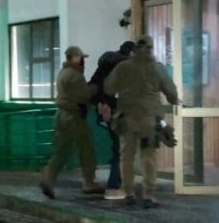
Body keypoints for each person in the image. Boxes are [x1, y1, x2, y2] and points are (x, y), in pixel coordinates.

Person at [104, 35, 179, 209]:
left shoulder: (123, 67)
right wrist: (173, 100)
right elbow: (171, 92)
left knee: (126, 157)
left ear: (135, 49)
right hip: (148, 122)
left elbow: (108, 88)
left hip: (126, 120)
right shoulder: (157, 68)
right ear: (151, 49)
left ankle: (129, 193)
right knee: (148, 157)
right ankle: (148, 195)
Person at [40, 46, 105, 199]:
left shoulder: (62, 73)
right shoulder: (75, 75)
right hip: (75, 117)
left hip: (61, 115)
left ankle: (48, 177)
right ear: (74, 57)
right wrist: (96, 87)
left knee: (62, 151)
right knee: (86, 149)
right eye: (81, 57)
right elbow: (85, 94)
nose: (82, 61)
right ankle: (89, 182)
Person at [88, 41, 136, 200]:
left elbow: (93, 87)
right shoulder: (122, 66)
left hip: (106, 111)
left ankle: (117, 184)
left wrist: (100, 103)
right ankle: (114, 186)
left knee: (118, 146)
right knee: (120, 147)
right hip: (116, 112)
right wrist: (106, 103)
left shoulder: (106, 64)